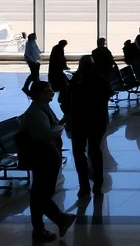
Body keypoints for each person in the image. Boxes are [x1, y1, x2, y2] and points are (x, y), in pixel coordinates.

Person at [20, 81, 77, 242]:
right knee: (40, 194)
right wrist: (59, 129)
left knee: (39, 193)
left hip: (47, 157)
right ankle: (58, 219)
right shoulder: (36, 113)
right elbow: (46, 135)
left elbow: (51, 127)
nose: (51, 93)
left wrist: (61, 123)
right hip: (43, 158)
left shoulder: (43, 109)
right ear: (38, 94)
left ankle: (40, 228)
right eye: (48, 91)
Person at [65, 56, 112, 197]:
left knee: (79, 153)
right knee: (95, 150)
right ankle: (98, 182)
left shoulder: (76, 82)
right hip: (97, 121)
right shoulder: (101, 80)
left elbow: (65, 98)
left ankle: (84, 185)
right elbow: (106, 97)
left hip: (79, 122)